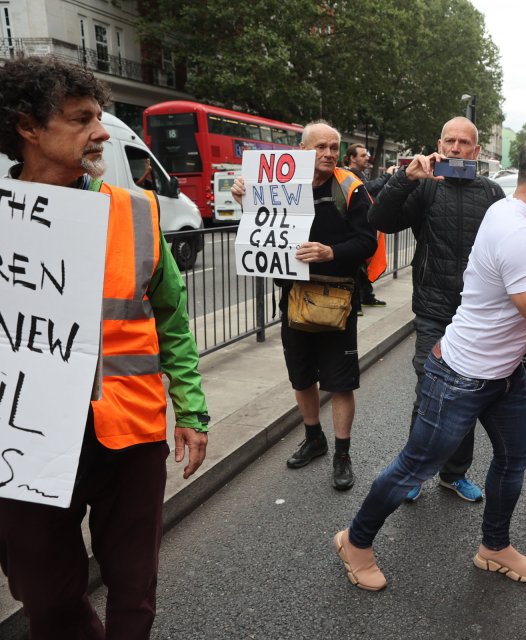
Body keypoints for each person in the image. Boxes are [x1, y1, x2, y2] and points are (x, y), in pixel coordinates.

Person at [333, 131, 526, 591]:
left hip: (503, 373)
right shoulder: (517, 228)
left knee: (514, 458)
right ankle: (355, 541)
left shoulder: (512, 211)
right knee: (415, 465)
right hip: (461, 376)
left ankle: (494, 548)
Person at [0, 56, 209, 638]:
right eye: (81, 118)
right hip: (27, 438)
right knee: (46, 595)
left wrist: (190, 408)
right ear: (28, 128)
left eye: (100, 116)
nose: (101, 131)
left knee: (134, 588)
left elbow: (172, 318)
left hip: (130, 433)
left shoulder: (136, 209)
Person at [231, 122, 377, 490]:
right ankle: (314, 439)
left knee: (340, 383)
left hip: (337, 299)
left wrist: (332, 252)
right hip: (294, 296)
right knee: (301, 377)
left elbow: (367, 242)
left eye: (334, 147)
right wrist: (244, 200)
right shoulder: (277, 184)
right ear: (302, 149)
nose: (328, 154)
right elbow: (259, 227)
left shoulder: (350, 188)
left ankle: (342, 454)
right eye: (320, 147)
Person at [368, 116, 505, 503]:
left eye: (465, 143)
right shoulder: (425, 189)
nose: (457, 148)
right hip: (433, 312)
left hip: (477, 317)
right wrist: (406, 178)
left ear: (477, 152)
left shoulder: (493, 193)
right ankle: (415, 472)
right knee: (430, 393)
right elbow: (379, 219)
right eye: (450, 141)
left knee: (467, 396)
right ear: (439, 146)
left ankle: (454, 474)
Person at [343, 143, 390, 310]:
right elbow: (367, 190)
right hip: (353, 228)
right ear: (352, 158)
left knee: (364, 264)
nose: (367, 158)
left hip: (364, 226)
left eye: (367, 155)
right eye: (363, 155)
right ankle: (355, 304)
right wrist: (386, 177)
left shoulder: (360, 174)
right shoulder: (348, 175)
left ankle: (367, 296)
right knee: (357, 265)